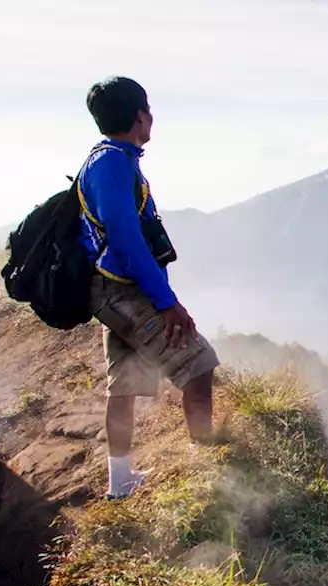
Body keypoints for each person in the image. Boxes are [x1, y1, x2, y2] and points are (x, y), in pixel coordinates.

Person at [78, 76, 220, 500]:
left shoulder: (111, 159)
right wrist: (166, 302)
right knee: (197, 365)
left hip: (111, 290)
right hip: (123, 291)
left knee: (123, 382)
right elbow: (125, 238)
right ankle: (208, 473)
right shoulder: (113, 164)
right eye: (149, 109)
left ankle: (120, 485)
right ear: (141, 115)